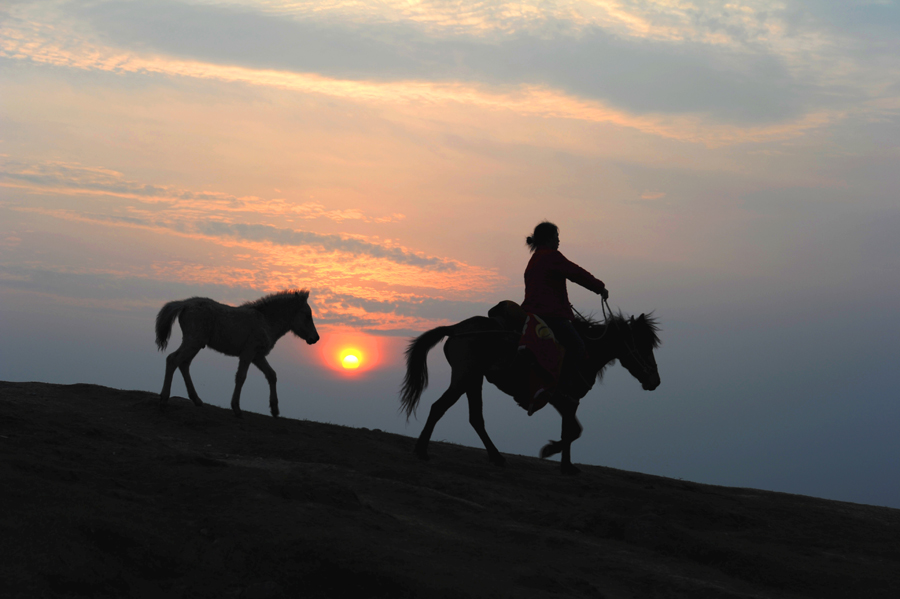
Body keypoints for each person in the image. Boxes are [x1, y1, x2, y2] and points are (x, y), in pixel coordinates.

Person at [521, 221, 608, 377]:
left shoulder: (534, 259)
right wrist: (599, 287)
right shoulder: (551, 256)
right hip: (550, 315)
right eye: (556, 237)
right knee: (578, 347)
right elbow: (576, 273)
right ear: (548, 239)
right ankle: (564, 386)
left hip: (532, 314)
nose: (559, 241)